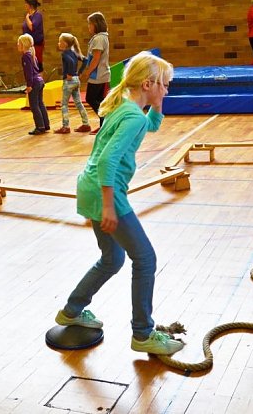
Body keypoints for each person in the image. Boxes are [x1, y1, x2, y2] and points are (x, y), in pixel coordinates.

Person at [54, 51, 184, 356]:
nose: (167, 89)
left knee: (112, 259)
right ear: (149, 83)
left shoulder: (126, 107)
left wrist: (158, 105)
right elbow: (109, 160)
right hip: (104, 193)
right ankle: (142, 333)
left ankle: (72, 310)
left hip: (88, 189)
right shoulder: (133, 117)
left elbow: (149, 127)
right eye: (164, 85)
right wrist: (109, 206)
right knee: (145, 259)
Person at [54, 33, 92, 134]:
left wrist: (70, 73)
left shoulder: (65, 54)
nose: (58, 43)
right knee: (78, 103)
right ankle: (86, 124)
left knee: (64, 105)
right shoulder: (75, 52)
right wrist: (78, 73)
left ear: (65, 44)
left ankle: (65, 126)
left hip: (69, 81)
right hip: (76, 80)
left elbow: (70, 62)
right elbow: (86, 60)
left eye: (60, 41)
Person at [81, 12, 111, 135]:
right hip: (100, 75)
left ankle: (106, 122)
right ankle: (103, 124)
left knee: (91, 98)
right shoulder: (101, 37)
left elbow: (96, 58)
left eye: (90, 24)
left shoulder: (99, 38)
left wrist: (87, 72)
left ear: (96, 25)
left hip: (98, 76)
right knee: (99, 100)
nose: (88, 27)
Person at [18, 34, 50, 135]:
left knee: (34, 106)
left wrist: (29, 85)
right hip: (40, 81)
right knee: (40, 103)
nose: (17, 45)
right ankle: (45, 124)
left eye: (18, 43)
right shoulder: (32, 55)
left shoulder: (25, 56)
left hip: (34, 83)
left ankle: (40, 126)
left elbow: (29, 72)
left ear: (23, 45)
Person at [23, 0, 45, 72]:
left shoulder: (37, 15)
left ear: (31, 6)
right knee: (30, 63)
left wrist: (27, 18)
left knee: (37, 63)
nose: (25, 6)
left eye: (26, 4)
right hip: (28, 45)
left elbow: (32, 27)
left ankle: (40, 82)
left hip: (36, 43)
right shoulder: (29, 16)